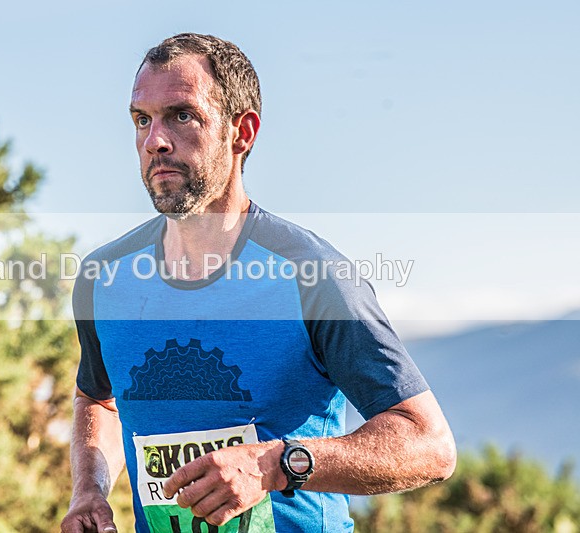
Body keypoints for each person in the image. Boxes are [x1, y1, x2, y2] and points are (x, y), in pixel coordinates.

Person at [61, 33, 456, 533]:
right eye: (143, 119)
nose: (154, 140)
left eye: (182, 115)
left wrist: (273, 465)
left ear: (241, 132)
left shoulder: (311, 275)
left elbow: (430, 445)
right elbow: (98, 398)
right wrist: (90, 492)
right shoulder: (105, 280)